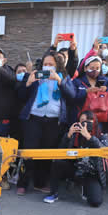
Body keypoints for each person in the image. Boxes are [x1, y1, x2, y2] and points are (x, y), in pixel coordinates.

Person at [16, 53, 75, 196]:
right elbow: (20, 96)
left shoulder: (64, 77)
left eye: (51, 64)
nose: (47, 67)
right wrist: (28, 82)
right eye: (45, 64)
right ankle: (23, 183)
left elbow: (72, 96)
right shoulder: (35, 76)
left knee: (46, 153)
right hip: (34, 119)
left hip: (54, 121)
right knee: (29, 152)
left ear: (57, 65)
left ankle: (40, 182)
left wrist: (59, 81)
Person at [44, 111, 108, 207]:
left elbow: (105, 152)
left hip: (91, 173)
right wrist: (68, 135)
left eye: (88, 121)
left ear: (94, 122)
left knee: (95, 202)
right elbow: (60, 152)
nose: (85, 123)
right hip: (75, 168)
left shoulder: (101, 135)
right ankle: (53, 193)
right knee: (57, 162)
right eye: (82, 120)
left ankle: (86, 189)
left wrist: (89, 137)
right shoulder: (75, 135)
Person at [69, 56, 108, 130]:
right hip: (81, 118)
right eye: (92, 68)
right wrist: (86, 91)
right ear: (85, 68)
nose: (95, 71)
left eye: (97, 68)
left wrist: (106, 92)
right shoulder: (77, 82)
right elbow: (72, 98)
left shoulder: (105, 81)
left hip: (99, 119)